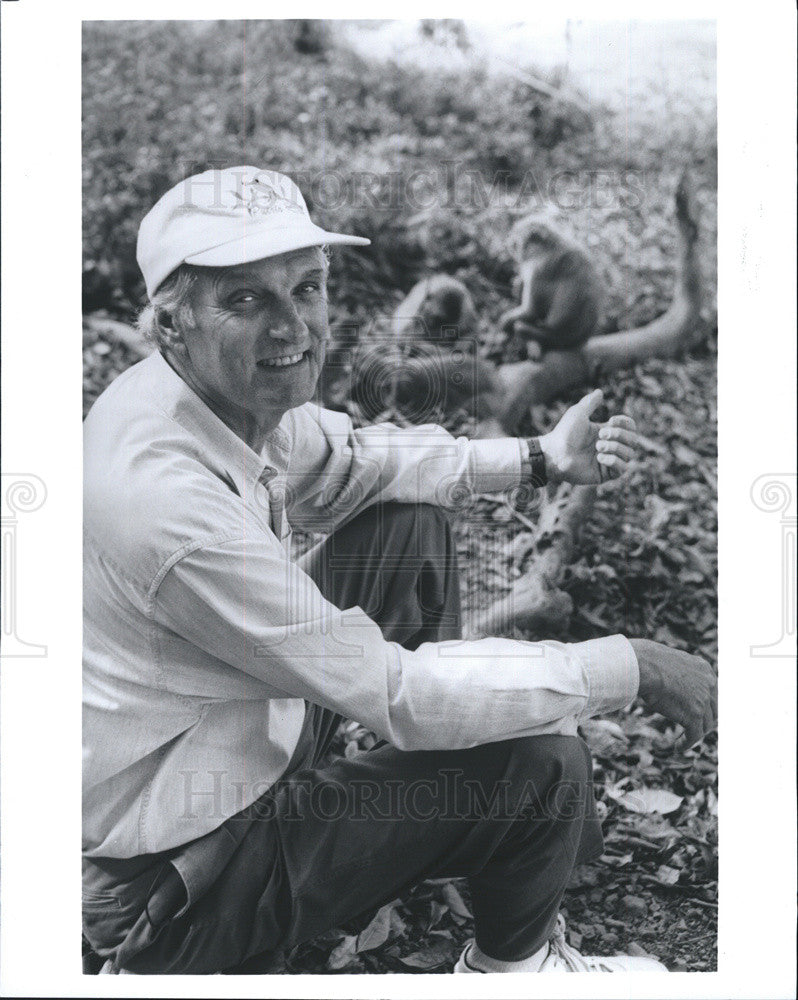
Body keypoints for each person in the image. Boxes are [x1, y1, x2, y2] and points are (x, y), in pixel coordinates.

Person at [82, 165, 717, 975]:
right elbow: (397, 692)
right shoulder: (167, 507)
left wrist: (539, 458)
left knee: (407, 528)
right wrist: (627, 665)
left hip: (238, 743)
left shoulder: (206, 396)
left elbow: (354, 459)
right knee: (540, 768)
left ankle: (435, 813)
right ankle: (511, 969)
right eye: (244, 301)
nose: (293, 328)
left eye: (305, 288)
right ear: (171, 325)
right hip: (179, 886)